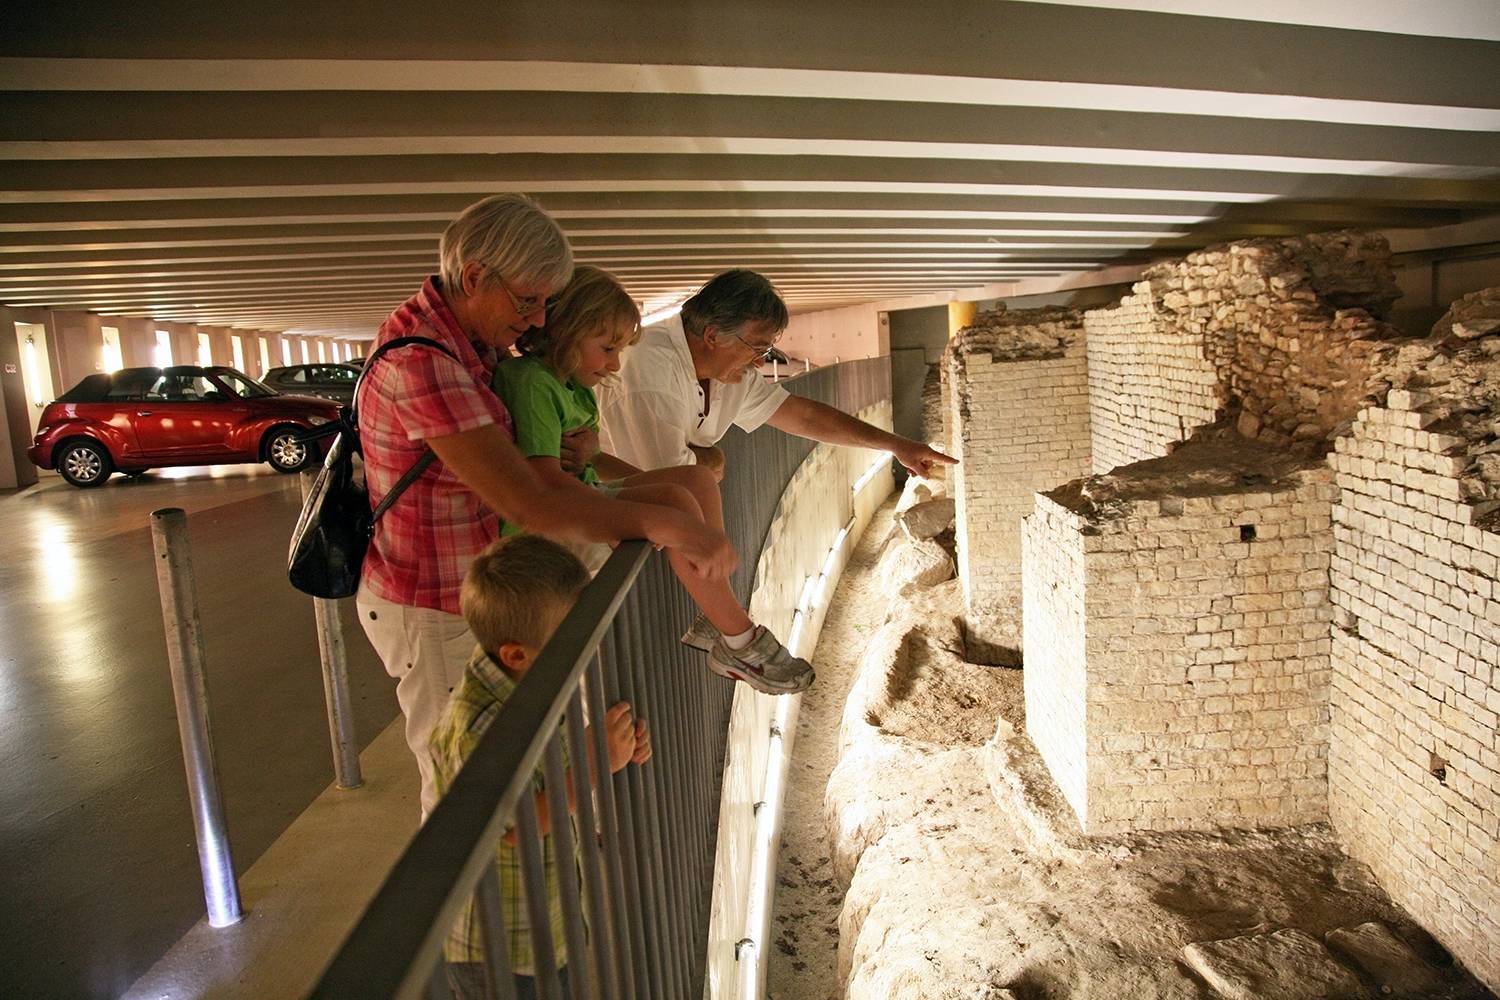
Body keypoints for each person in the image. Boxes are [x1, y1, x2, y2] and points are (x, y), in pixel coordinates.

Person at [355, 193, 734, 816]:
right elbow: (528, 502)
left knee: (513, 755)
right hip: (436, 600)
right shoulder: (426, 363)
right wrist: (667, 523)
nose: (535, 322)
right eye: (527, 301)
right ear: (475, 277)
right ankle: (476, 911)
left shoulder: (466, 347)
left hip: (472, 592)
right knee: (467, 792)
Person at [493, 265, 814, 694]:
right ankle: (740, 640)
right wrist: (640, 517)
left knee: (695, 483)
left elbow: (585, 466)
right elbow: (546, 488)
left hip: (582, 493)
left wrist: (599, 460)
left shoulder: (571, 385)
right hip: (553, 525)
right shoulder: (533, 384)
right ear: (568, 335)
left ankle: (717, 606)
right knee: (678, 505)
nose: (615, 364)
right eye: (608, 348)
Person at [596, 268, 956, 645]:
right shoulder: (651, 372)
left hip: (648, 542)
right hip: (602, 556)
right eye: (756, 348)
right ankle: (735, 639)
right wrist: (709, 462)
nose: (759, 362)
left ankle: (725, 627)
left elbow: (803, 415)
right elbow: (670, 482)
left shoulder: (726, 372)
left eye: (765, 351)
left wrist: (897, 444)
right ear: (712, 335)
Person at [431, 534, 652, 1000]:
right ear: (516, 653)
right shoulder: (476, 727)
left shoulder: (534, 674)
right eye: (575, 636)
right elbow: (512, 826)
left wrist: (618, 745)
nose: (589, 646)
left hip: (548, 927)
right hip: (498, 952)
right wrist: (596, 765)